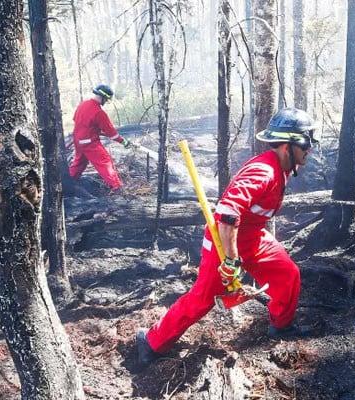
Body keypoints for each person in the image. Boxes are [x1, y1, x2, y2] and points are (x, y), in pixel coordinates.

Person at [136, 108, 319, 366]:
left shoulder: (283, 167)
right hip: (224, 241)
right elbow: (227, 212)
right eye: (306, 141)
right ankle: (152, 341)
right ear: (288, 145)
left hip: (252, 237)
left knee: (287, 274)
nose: (310, 147)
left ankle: (282, 326)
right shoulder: (264, 171)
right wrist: (231, 261)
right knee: (202, 299)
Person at [68, 84, 131, 191]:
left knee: (79, 164)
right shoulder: (99, 112)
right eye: (106, 99)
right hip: (89, 143)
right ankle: (117, 187)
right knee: (105, 162)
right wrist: (123, 142)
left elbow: (79, 122)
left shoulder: (82, 105)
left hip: (78, 141)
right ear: (102, 97)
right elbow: (112, 133)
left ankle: (68, 183)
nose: (105, 102)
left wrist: (95, 131)